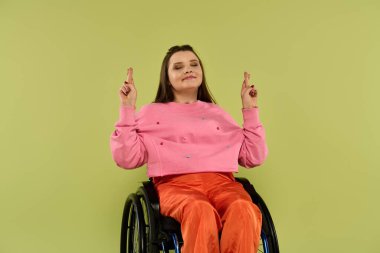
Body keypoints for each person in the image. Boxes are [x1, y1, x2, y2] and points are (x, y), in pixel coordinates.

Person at [110, 44, 268, 253]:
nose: (188, 69)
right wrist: (127, 108)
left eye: (194, 64)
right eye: (178, 67)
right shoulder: (151, 113)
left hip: (222, 183)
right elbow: (127, 159)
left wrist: (250, 110)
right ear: (167, 78)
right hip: (175, 186)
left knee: (244, 208)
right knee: (199, 209)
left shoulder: (217, 113)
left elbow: (253, 157)